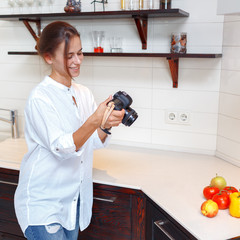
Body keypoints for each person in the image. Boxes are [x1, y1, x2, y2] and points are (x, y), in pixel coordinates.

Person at [14, 21, 124, 240]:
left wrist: (106, 124)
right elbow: (63, 146)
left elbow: (91, 141)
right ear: (48, 57)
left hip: (73, 203)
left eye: (80, 53)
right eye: (69, 55)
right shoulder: (40, 97)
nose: (77, 61)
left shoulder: (83, 93)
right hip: (43, 205)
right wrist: (95, 120)